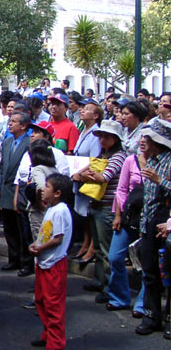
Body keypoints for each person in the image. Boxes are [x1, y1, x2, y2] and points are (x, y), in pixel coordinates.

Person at [74, 119, 126, 302]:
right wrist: (84, 175)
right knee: (97, 247)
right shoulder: (103, 156)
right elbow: (82, 173)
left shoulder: (118, 156)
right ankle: (99, 280)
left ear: (116, 139)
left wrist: (85, 176)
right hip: (96, 204)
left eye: (107, 137)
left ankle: (108, 286)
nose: (102, 140)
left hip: (107, 207)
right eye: (101, 136)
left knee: (105, 249)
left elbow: (103, 177)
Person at [29, 173, 73, 350]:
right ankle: (48, 333)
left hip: (54, 264)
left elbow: (57, 238)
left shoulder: (61, 210)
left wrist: (40, 248)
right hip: (43, 262)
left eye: (46, 187)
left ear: (57, 193)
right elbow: (45, 234)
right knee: (41, 300)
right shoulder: (51, 209)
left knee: (54, 306)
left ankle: (55, 345)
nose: (42, 190)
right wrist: (36, 244)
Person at [136, 118, 171, 336]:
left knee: (168, 274)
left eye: (147, 138)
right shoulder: (151, 161)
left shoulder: (168, 162)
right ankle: (151, 315)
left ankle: (168, 319)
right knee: (149, 271)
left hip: (166, 222)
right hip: (149, 222)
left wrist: (161, 181)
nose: (143, 141)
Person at [108, 135, 149, 315]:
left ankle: (142, 304)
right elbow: (122, 189)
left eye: (147, 139)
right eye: (142, 138)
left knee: (147, 263)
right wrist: (118, 214)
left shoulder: (162, 164)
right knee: (115, 257)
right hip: (128, 216)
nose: (142, 142)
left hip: (149, 219)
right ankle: (119, 297)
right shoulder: (130, 161)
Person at [0, 111, 34, 277]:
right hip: (5, 189)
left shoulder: (29, 142)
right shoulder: (6, 142)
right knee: (9, 227)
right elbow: (2, 167)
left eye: (14, 121)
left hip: (20, 190)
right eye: (10, 121)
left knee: (22, 229)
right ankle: (13, 258)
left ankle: (26, 261)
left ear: (23, 125)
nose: (10, 124)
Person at [70, 99, 103, 263]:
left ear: (96, 116)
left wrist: (80, 173)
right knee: (83, 213)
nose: (82, 111)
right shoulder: (83, 130)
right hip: (78, 176)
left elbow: (95, 158)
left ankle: (91, 247)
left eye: (87, 109)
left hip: (87, 177)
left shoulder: (96, 134)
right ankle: (85, 243)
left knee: (89, 213)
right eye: (82, 108)